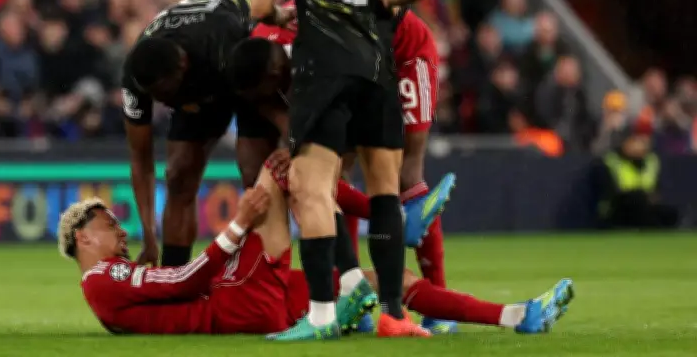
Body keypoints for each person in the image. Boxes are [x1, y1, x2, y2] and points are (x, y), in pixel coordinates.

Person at [244, 0, 540, 335]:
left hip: (406, 53)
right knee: (330, 176)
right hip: (354, 69)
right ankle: (357, 288)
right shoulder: (301, 11)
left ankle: (435, 304)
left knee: (405, 175)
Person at [249, 0, 432, 340]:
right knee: (383, 192)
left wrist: (286, 13)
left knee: (312, 186)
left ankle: (324, 317)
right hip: (377, 66)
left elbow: (260, 8)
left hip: (323, 66)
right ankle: (394, 315)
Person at [60, 159, 575, 337]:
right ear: (83, 237)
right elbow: (185, 280)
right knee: (281, 168)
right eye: (110, 225)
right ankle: (391, 216)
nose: (121, 233)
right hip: (240, 301)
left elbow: (161, 299)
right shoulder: (103, 280)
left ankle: (518, 316)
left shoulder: (110, 290)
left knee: (386, 283)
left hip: (246, 300)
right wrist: (236, 226)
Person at [121, 0, 280, 268]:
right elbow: (140, 157)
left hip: (246, 63)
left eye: (167, 94)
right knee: (179, 174)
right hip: (200, 84)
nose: (164, 104)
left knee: (255, 172)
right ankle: (174, 277)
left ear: (183, 65)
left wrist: (292, 142)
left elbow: (271, 103)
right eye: (156, 97)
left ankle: (264, 272)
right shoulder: (137, 75)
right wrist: (148, 237)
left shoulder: (222, 43)